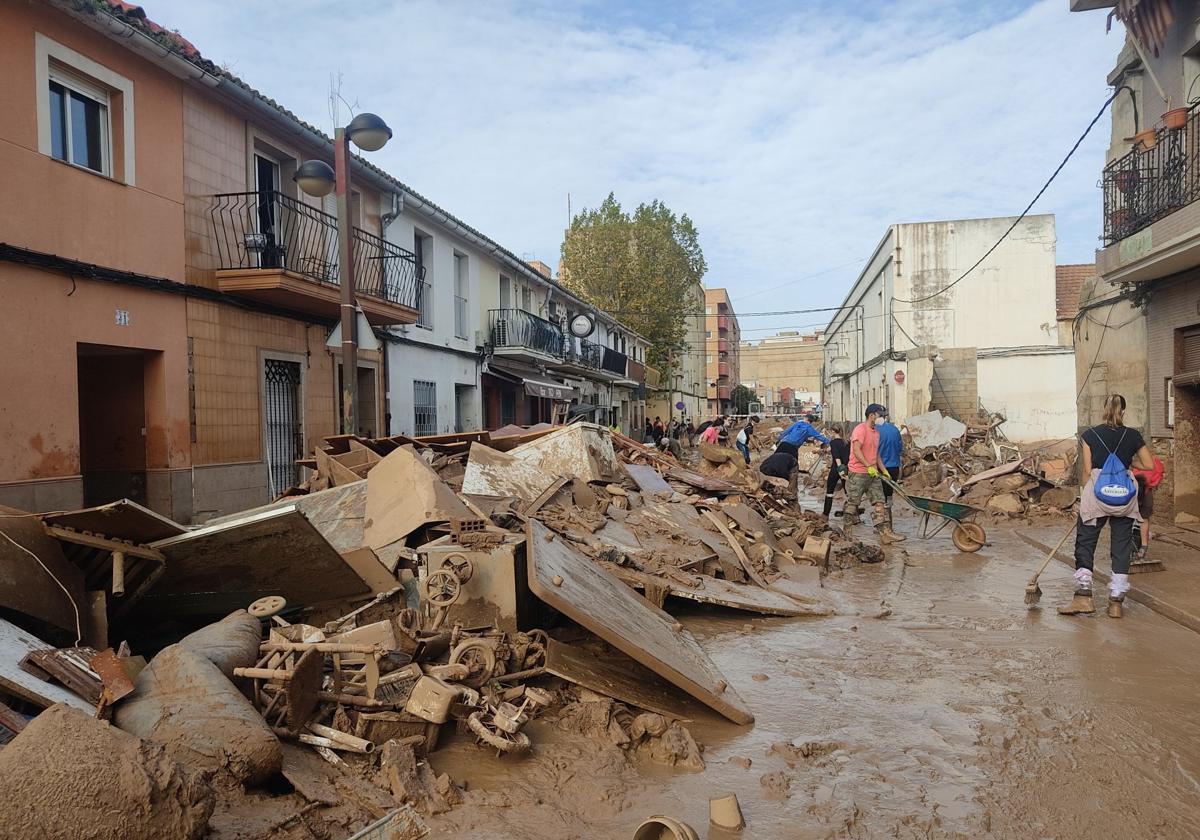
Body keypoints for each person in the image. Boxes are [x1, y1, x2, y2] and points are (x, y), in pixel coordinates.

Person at [1060, 394, 1154, 618]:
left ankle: (1084, 598)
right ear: (1124, 411)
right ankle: (1116, 604)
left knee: (1086, 541)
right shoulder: (1133, 435)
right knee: (1121, 545)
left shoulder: (1090, 434)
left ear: (1104, 409)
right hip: (1124, 494)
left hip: (1097, 491)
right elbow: (1149, 465)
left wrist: (1087, 494)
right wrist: (1130, 462)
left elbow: (1086, 470)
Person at [843, 404, 906, 545]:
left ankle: (885, 534)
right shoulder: (860, 429)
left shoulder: (876, 433)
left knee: (880, 502)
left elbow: (876, 454)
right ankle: (847, 533)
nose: (882, 418)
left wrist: (884, 470)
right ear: (872, 415)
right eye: (880, 415)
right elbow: (857, 450)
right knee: (853, 503)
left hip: (873, 474)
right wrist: (867, 465)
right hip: (858, 472)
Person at [1133, 455, 1165, 560]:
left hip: (1131, 489)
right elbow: (1158, 476)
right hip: (1146, 490)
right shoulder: (1154, 461)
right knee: (1144, 519)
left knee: (1128, 518)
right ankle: (1143, 547)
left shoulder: (1129, 456)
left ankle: (1133, 546)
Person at [876, 413, 903, 528]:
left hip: (880, 467)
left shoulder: (874, 431)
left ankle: (882, 526)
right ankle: (890, 525)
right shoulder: (895, 429)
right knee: (889, 496)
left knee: (879, 497)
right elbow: (900, 448)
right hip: (894, 467)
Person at [822, 423, 851, 518]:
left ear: (833, 431)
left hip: (837, 469)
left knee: (830, 491)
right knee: (848, 492)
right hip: (847, 468)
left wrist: (840, 470)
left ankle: (825, 515)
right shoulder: (847, 442)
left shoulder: (833, 442)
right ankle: (851, 515)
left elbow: (837, 457)